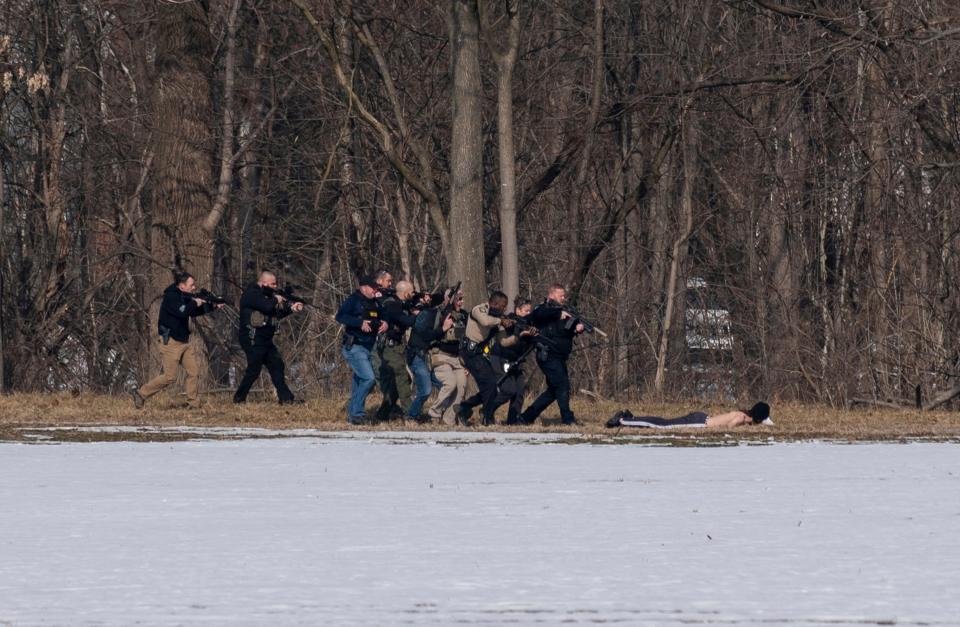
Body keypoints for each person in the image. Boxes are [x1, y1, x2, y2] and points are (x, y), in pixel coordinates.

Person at [131, 271, 223, 409]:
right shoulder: (171, 298)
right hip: (171, 342)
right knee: (170, 377)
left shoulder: (184, 296)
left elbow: (193, 311)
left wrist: (213, 306)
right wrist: (195, 302)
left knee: (194, 372)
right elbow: (184, 311)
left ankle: (192, 403)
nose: (194, 288)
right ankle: (140, 394)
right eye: (191, 285)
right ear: (181, 286)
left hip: (184, 341)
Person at [516, 284, 584, 426]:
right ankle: (568, 419)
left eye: (564, 296)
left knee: (554, 390)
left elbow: (564, 332)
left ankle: (526, 417)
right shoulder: (543, 309)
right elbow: (537, 315)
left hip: (560, 356)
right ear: (552, 296)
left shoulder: (563, 311)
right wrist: (557, 314)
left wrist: (576, 329)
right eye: (561, 296)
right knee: (562, 385)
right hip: (547, 355)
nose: (563, 298)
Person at [233, 271, 304, 405]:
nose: (275, 286)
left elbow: (274, 314)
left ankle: (286, 399)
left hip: (264, 339)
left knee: (277, 365)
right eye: (272, 284)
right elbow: (267, 306)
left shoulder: (266, 296)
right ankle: (239, 398)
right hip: (251, 338)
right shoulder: (252, 294)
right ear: (263, 282)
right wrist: (277, 299)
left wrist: (292, 309)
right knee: (254, 369)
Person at [456, 291, 515, 426]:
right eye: (503, 305)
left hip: (479, 355)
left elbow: (504, 341)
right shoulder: (480, 309)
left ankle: (465, 408)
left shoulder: (498, 318)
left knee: (492, 387)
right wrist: (501, 320)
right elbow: (485, 321)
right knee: (489, 386)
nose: (505, 308)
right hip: (468, 353)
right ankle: (485, 418)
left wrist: (519, 335)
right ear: (494, 303)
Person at [335, 274, 387, 425]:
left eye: (376, 288)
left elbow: (385, 314)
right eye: (373, 288)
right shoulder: (353, 300)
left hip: (368, 347)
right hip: (354, 347)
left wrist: (386, 323)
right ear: (363, 287)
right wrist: (359, 323)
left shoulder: (376, 303)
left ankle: (354, 417)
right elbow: (340, 316)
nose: (375, 291)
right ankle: (357, 413)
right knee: (369, 379)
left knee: (359, 381)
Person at [410, 288, 467, 425]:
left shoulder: (464, 316)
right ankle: (434, 413)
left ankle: (448, 419)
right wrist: (443, 328)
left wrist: (467, 363)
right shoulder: (434, 314)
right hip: (440, 355)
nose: (461, 302)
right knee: (450, 383)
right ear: (448, 299)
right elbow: (425, 336)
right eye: (458, 298)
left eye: (461, 298)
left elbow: (466, 340)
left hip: (457, 358)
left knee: (461, 386)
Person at [488, 299, 539, 425]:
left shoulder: (529, 325)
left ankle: (513, 420)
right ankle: (487, 410)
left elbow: (528, 346)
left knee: (519, 390)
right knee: (508, 390)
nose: (529, 313)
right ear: (517, 310)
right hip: (501, 358)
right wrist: (521, 333)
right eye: (526, 311)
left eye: (530, 311)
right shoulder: (509, 321)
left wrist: (533, 336)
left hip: (516, 361)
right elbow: (507, 341)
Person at [375, 280, 417, 421]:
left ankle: (383, 413)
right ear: (405, 293)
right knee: (401, 375)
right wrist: (417, 315)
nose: (413, 294)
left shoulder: (403, 305)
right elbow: (406, 321)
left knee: (401, 379)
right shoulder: (392, 305)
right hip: (389, 347)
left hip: (398, 347)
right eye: (411, 292)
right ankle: (410, 412)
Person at [605, 402, 774, 429]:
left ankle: (630, 418)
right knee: (662, 426)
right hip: (700, 423)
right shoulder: (742, 418)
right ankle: (622, 420)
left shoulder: (743, 413)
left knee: (663, 422)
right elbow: (730, 427)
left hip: (701, 417)